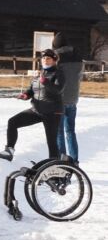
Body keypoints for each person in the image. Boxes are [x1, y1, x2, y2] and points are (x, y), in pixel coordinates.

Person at [0, 49, 64, 161]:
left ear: (54, 60)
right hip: (37, 110)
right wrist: (26, 95)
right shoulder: (39, 73)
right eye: (44, 58)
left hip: (52, 112)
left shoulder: (59, 73)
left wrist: (45, 81)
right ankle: (9, 151)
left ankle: (55, 167)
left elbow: (58, 90)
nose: (45, 60)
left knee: (51, 141)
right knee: (13, 122)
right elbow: (32, 90)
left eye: (49, 58)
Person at [52, 32, 83, 162]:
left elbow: (53, 79)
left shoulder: (57, 59)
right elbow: (79, 77)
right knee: (70, 131)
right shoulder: (78, 57)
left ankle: (62, 160)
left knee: (59, 132)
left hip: (59, 100)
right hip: (73, 98)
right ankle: (75, 160)